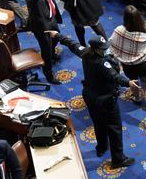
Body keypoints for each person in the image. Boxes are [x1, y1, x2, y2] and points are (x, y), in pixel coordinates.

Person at [56, 33, 137, 168]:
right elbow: (115, 76)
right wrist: (129, 83)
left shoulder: (85, 52)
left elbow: (72, 44)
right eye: (102, 49)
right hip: (105, 99)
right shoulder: (102, 63)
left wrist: (57, 35)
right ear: (95, 49)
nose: (105, 50)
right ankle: (118, 159)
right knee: (115, 128)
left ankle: (101, 148)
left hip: (89, 96)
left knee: (98, 123)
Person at [109, 5, 146, 127]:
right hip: (144, 64)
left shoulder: (119, 30)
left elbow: (112, 44)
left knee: (134, 83)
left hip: (128, 65)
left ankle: (137, 98)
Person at [25, 0, 62, 85]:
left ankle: (52, 53)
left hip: (51, 19)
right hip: (41, 24)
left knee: (56, 38)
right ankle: (49, 74)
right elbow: (31, 3)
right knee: (46, 50)